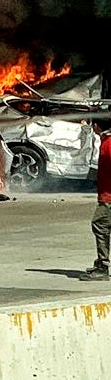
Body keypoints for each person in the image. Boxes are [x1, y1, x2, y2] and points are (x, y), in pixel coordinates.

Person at [81, 117, 111, 281]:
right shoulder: (105, 141)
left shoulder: (108, 144)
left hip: (109, 198)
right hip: (106, 195)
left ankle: (102, 266)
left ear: (96, 126)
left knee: (100, 225)